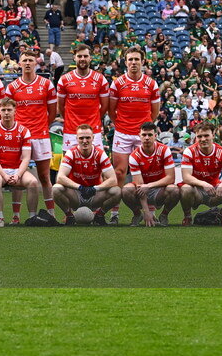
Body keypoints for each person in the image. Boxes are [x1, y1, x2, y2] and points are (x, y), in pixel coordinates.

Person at [3, 49, 57, 223]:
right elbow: (9, 113)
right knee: (17, 176)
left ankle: (51, 213)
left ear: (36, 63)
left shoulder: (46, 84)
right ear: (19, 64)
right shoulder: (12, 87)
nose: (27, 63)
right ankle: (16, 216)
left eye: (30, 60)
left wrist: (41, 127)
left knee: (44, 176)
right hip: (19, 138)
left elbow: (52, 112)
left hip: (40, 135)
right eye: (24, 60)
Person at [108, 46, 161, 224]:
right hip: (122, 133)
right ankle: (115, 214)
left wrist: (142, 129)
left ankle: (149, 211)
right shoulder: (117, 83)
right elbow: (111, 110)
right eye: (130, 59)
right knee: (120, 173)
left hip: (142, 135)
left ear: (143, 61)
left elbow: (154, 113)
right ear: (125, 62)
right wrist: (122, 126)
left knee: (147, 174)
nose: (133, 63)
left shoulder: (151, 84)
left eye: (136, 59)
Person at [0, 98, 40, 227]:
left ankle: (32, 217)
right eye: (3, 110)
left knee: (33, 182)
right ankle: (0, 218)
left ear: (15, 111)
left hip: (16, 168)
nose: (6, 113)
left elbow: (26, 157)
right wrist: (4, 175)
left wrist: (18, 175)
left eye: (9, 110)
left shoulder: (24, 131)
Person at [53, 124, 121, 225]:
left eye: (88, 137)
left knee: (117, 191)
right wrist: (80, 187)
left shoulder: (100, 154)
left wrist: (95, 189)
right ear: (76, 139)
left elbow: (113, 180)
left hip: (95, 195)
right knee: (56, 188)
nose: (85, 141)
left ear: (93, 138)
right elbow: (60, 177)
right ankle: (69, 216)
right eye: (81, 138)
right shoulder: (71, 153)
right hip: (76, 195)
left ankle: (99, 216)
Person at [180, 123, 222, 226]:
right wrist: (203, 183)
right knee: (185, 189)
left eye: (206, 135)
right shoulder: (189, 151)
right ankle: (188, 216)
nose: (203, 139)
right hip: (196, 191)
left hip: (215, 190)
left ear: (213, 135)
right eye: (199, 136)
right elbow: (186, 177)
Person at [122, 122, 179, 227]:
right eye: (144, 135)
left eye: (150, 135)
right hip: (141, 190)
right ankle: (137, 214)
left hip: (159, 189)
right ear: (139, 136)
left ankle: (164, 215)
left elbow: (171, 178)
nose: (147, 138)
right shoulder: (134, 156)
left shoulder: (164, 150)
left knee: (174, 190)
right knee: (126, 190)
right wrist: (146, 212)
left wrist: (149, 185)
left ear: (155, 136)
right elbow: (140, 186)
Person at [57, 44, 109, 150]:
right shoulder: (64, 79)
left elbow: (104, 106)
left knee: (95, 164)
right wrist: (69, 119)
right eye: (79, 56)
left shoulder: (100, 79)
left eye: (85, 56)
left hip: (93, 130)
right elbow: (61, 106)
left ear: (90, 58)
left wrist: (95, 119)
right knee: (68, 165)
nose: (82, 59)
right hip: (71, 131)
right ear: (74, 57)